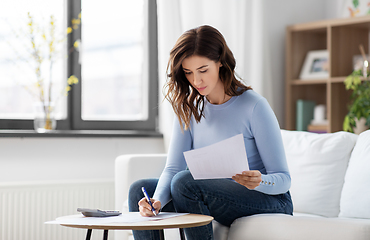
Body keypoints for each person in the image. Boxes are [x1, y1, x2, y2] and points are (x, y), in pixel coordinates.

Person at [128, 25, 293, 240]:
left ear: (221, 63)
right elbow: (173, 167)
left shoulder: (254, 106)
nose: (196, 81)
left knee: (184, 182)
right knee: (140, 189)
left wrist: (260, 180)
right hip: (213, 194)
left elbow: (284, 180)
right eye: (188, 73)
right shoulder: (189, 109)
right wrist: (156, 201)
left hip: (268, 199)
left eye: (203, 70)